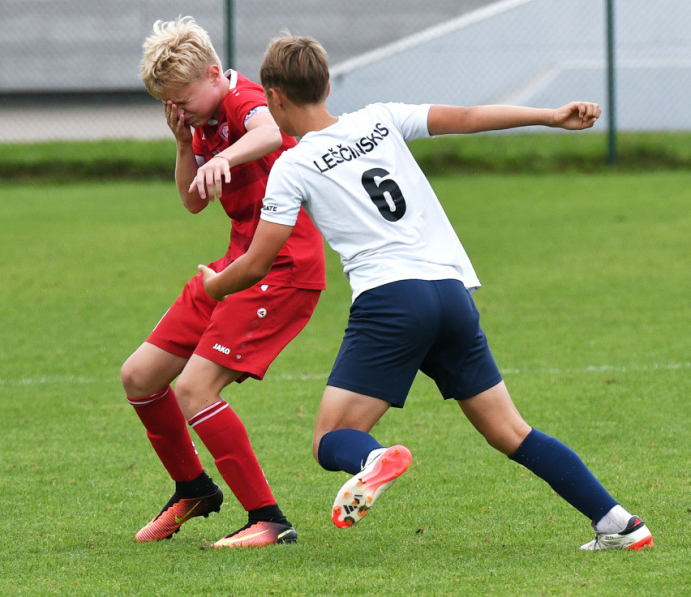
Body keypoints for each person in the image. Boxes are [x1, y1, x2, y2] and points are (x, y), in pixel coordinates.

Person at [197, 33, 653, 552]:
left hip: (392, 301)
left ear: (274, 97)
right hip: (450, 293)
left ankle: (372, 460)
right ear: (327, 86)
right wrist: (550, 115)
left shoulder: (292, 165)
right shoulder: (380, 118)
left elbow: (258, 262)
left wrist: (215, 284)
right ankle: (619, 523)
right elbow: (469, 116)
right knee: (511, 431)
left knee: (329, 439)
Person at [121, 17, 326, 548]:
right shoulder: (198, 119)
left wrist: (225, 157)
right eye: (169, 104)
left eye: (184, 99)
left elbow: (270, 132)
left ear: (214, 74)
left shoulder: (242, 98)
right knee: (140, 376)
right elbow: (192, 201)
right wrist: (184, 143)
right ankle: (193, 489)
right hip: (236, 266)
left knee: (194, 388)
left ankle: (268, 519)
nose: (179, 109)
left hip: (282, 267)